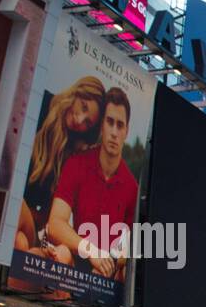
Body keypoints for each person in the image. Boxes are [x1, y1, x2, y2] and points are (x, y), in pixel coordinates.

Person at [44, 88, 139, 283]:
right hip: (76, 257)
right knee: (61, 254)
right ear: (101, 126)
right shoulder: (77, 164)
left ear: (126, 131)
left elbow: (129, 247)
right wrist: (91, 252)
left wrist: (109, 263)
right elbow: (55, 223)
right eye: (110, 122)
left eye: (120, 125)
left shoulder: (131, 187)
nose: (114, 132)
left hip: (107, 273)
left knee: (122, 275)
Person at [14, 76, 105, 252]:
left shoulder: (70, 153)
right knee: (20, 243)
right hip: (6, 209)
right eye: (83, 107)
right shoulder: (40, 103)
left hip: (26, 221)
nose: (80, 120)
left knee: (17, 212)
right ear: (77, 93)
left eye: (88, 122)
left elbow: (48, 218)